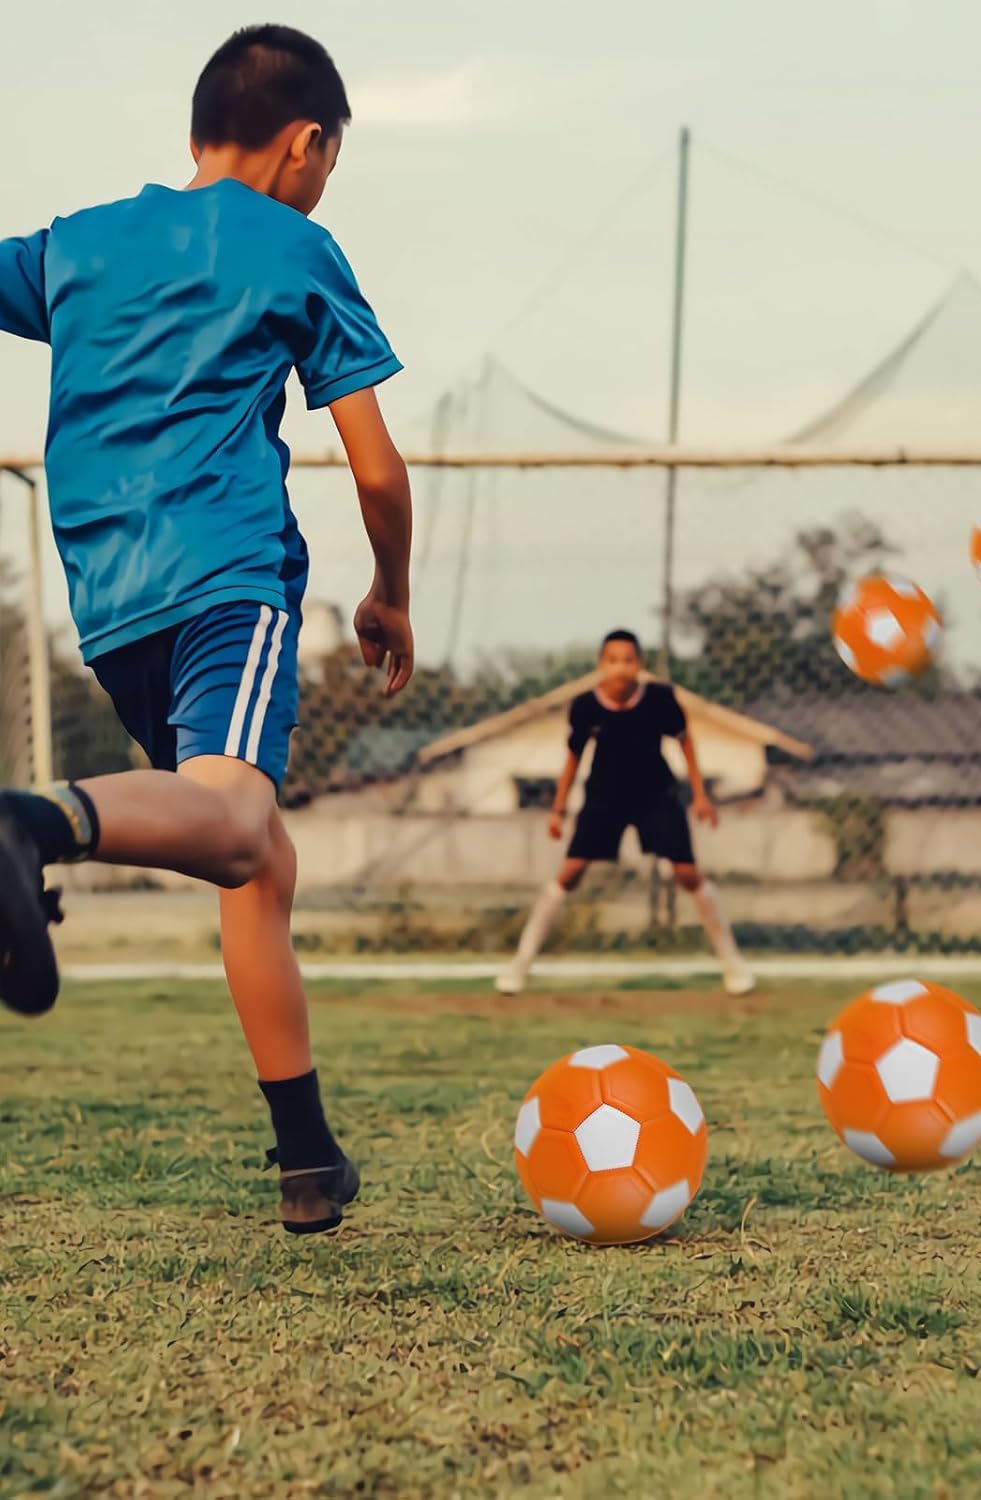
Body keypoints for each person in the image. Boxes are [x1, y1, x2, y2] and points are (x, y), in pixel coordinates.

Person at [0, 25, 413, 1235]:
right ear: (307, 144)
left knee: (258, 855)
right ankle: (29, 824)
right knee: (232, 824)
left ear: (198, 132)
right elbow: (376, 470)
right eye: (329, 162)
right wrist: (389, 590)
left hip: (108, 605)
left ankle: (308, 1159)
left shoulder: (76, 244)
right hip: (226, 583)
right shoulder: (294, 245)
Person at [499, 630, 754, 997]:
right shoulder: (585, 706)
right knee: (570, 873)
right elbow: (573, 758)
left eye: (628, 660)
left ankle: (732, 963)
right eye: (613, 660)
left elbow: (685, 741)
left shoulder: (660, 699)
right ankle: (520, 964)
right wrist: (558, 810)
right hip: (604, 796)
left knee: (687, 873)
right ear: (601, 665)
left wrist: (700, 796)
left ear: (640, 665)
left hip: (656, 794)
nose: (621, 667)